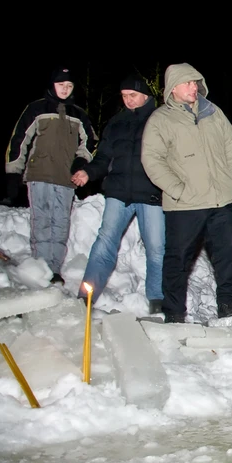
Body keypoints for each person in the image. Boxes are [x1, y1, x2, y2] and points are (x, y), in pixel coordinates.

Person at [141, 63, 232, 323]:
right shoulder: (161, 119)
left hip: (220, 200)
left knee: (229, 255)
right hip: (185, 205)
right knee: (177, 260)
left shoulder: (213, 112)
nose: (194, 87)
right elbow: (152, 159)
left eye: (196, 82)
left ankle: (230, 306)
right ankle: (174, 313)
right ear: (173, 88)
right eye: (188, 83)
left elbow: (230, 144)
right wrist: (177, 190)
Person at [72, 76, 164, 312]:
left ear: (145, 95)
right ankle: (86, 295)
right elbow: (103, 158)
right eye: (124, 96)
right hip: (119, 192)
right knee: (104, 243)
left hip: (151, 194)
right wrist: (88, 173)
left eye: (132, 95)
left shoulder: (161, 119)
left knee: (156, 248)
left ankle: (158, 300)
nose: (128, 100)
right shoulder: (116, 122)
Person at [5, 67, 98, 284]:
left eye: (69, 86)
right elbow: (19, 140)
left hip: (66, 177)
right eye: (61, 85)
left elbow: (92, 143)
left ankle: (54, 270)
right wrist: (13, 171)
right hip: (39, 174)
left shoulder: (79, 114)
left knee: (60, 223)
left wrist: (81, 160)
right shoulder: (36, 109)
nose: (65, 89)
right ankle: (40, 267)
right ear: (52, 85)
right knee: (42, 221)